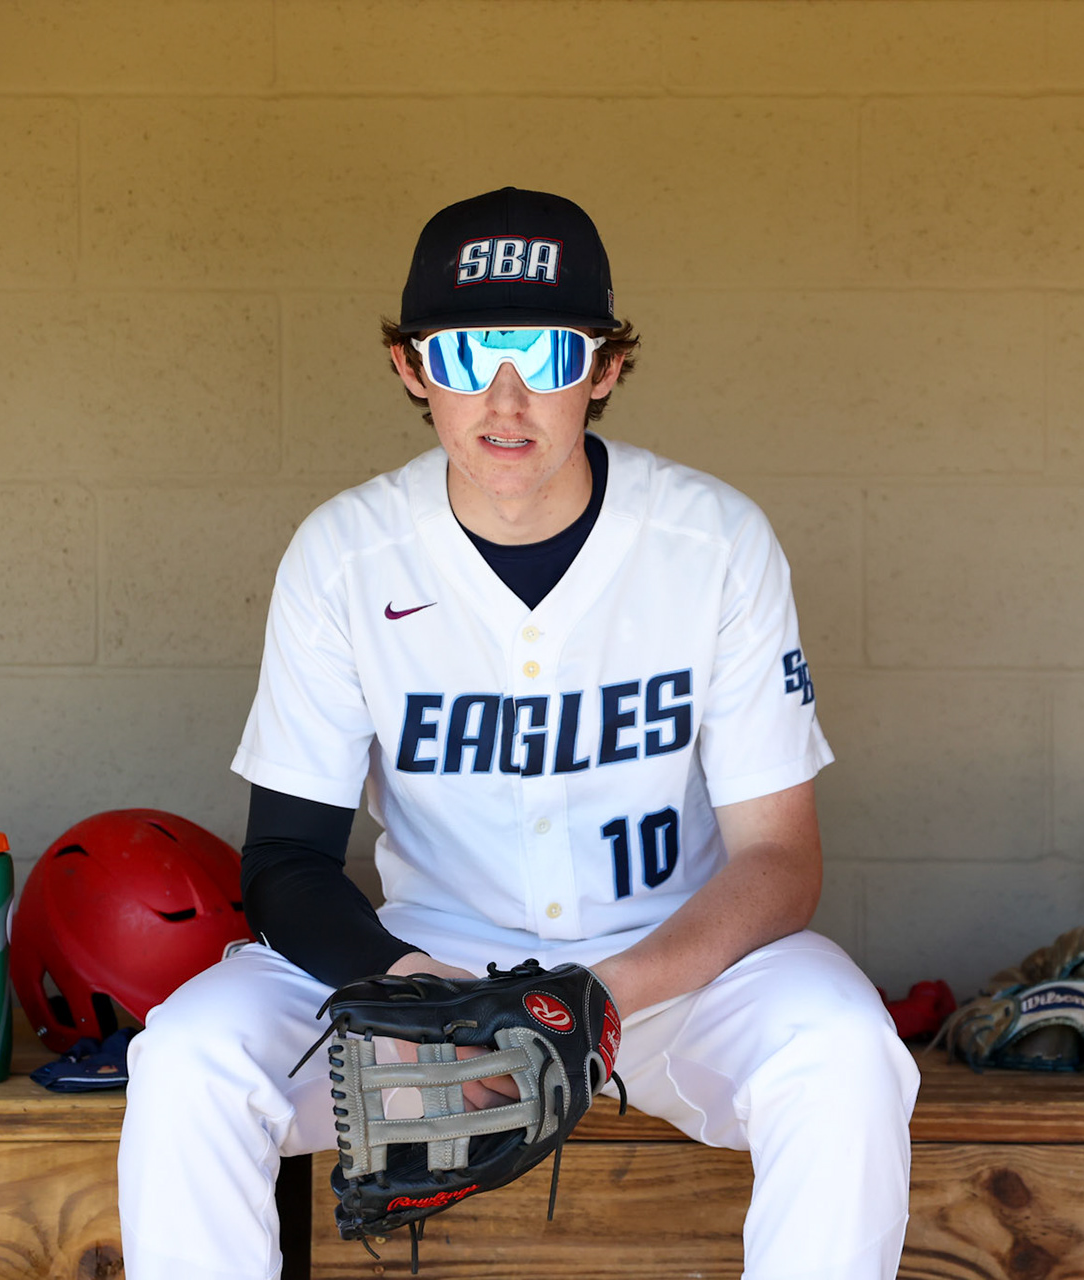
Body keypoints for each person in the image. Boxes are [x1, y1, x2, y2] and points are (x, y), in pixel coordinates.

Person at [117, 187, 919, 1280]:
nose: (505, 395)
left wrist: (594, 1000)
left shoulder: (714, 540)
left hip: (662, 982)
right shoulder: (344, 552)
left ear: (604, 366)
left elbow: (781, 860)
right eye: (466, 352)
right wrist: (421, 986)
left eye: (542, 352)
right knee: (192, 1055)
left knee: (845, 1046)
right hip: (424, 972)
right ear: (412, 368)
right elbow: (286, 861)